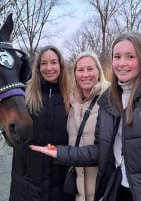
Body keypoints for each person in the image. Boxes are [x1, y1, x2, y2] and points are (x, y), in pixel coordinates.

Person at [31, 31, 141, 201]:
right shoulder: (110, 100)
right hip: (117, 190)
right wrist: (58, 152)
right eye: (117, 57)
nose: (122, 63)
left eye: (130, 56)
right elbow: (99, 151)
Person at [31, 51, 109, 201]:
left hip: (103, 189)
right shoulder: (70, 103)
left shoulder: (110, 100)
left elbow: (104, 150)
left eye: (90, 69)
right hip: (78, 192)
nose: (85, 74)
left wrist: (58, 153)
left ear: (99, 71)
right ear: (74, 74)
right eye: (80, 70)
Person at [9, 45, 74, 201]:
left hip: (59, 183)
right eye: (43, 63)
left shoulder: (72, 97)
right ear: (37, 68)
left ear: (61, 65)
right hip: (27, 183)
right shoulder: (23, 96)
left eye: (53, 62)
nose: (49, 68)